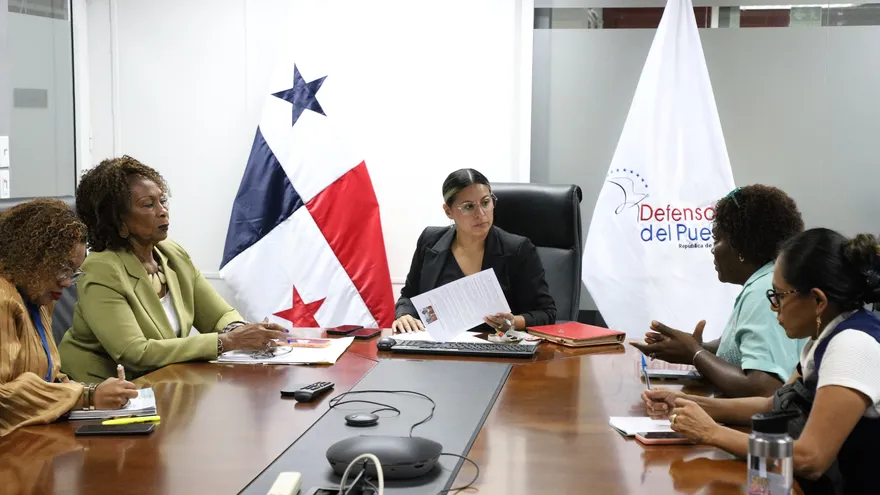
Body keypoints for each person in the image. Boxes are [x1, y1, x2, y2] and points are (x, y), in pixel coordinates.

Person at [644, 229, 880, 493]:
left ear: (817, 300)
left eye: (779, 296)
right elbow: (774, 404)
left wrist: (712, 433)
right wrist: (690, 403)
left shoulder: (853, 345)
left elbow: (811, 458)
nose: (773, 307)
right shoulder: (825, 335)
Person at [59, 156, 290, 382]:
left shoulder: (171, 253)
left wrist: (242, 333)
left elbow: (218, 315)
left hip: (163, 381)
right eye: (148, 205)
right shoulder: (102, 269)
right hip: (100, 390)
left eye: (163, 200)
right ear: (119, 221)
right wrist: (228, 341)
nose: (163, 211)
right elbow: (135, 353)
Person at [632, 185, 806, 398]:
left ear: (740, 246)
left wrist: (695, 353)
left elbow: (764, 389)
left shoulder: (764, 291)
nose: (713, 249)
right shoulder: (761, 282)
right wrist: (699, 348)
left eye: (717, 239)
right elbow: (741, 350)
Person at [0, 199, 137, 436]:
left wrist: (92, 391)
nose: (66, 282)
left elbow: (49, 378)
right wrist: (87, 396)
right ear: (31, 258)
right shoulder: (4, 299)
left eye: (73, 273)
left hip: (33, 439)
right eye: (62, 268)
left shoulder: (40, 300)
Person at [392, 168, 556, 333]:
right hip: (439, 348)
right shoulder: (430, 241)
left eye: (485, 202)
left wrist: (513, 322)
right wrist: (405, 314)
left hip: (496, 349)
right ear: (448, 211)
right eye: (469, 207)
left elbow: (546, 313)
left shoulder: (518, 249)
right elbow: (408, 297)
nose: (481, 213)